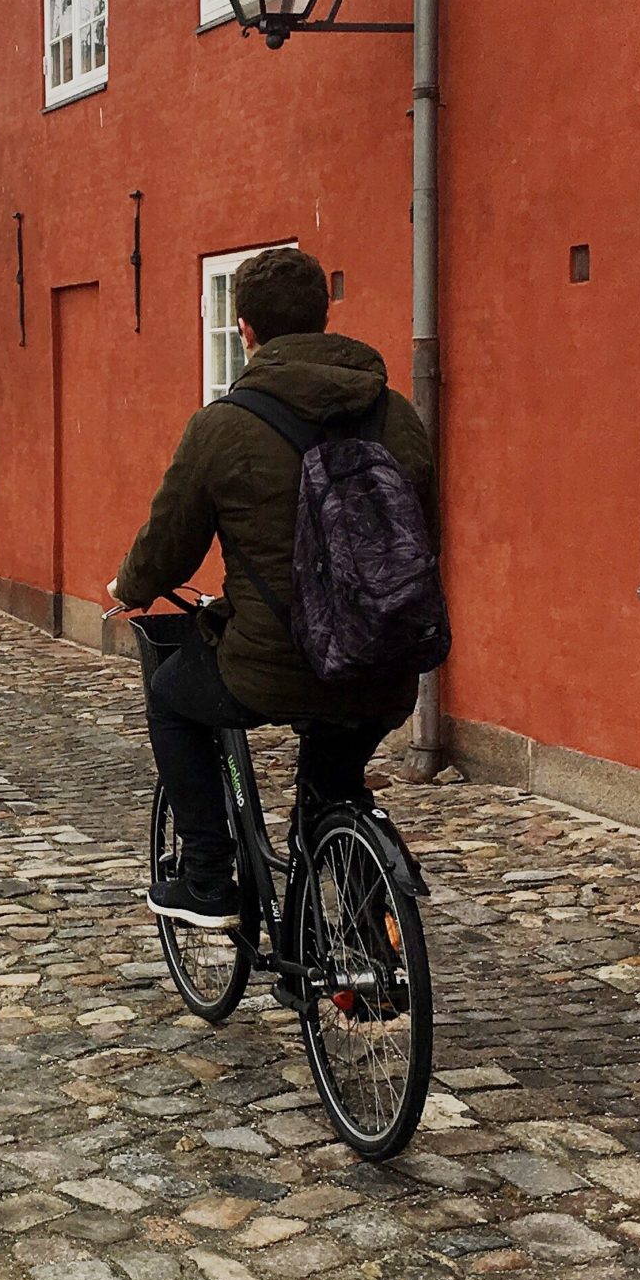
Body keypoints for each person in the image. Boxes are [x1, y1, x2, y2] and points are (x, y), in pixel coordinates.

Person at [109, 246, 436, 928]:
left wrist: (133, 584)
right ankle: (361, 928)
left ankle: (205, 878)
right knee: (334, 778)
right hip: (383, 661)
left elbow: (170, 542)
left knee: (171, 700)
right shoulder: (395, 413)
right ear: (323, 317)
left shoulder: (223, 426)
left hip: (274, 665)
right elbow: (421, 533)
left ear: (246, 329)